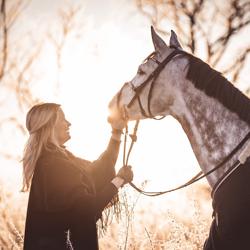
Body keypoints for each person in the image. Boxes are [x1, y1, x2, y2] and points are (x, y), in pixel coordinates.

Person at [22, 102, 133, 250]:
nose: (69, 123)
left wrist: (116, 132)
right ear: (49, 126)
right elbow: (87, 209)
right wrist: (118, 180)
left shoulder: (58, 159)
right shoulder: (53, 165)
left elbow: (98, 170)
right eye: (62, 119)